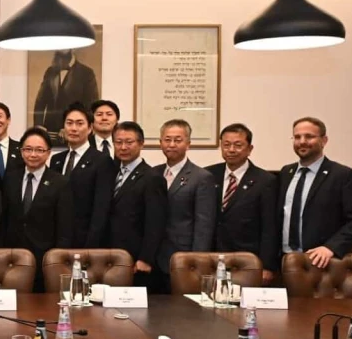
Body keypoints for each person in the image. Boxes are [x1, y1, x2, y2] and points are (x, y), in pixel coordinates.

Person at [278, 117, 352, 269]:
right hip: (284, 260)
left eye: (309, 136)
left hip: (321, 261)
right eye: (297, 137)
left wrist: (331, 247)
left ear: (324, 140)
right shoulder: (286, 172)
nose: (302, 141)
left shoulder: (343, 175)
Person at [206, 123, 279, 283]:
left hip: (247, 260)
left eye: (238, 145)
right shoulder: (208, 175)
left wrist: (266, 266)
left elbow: (270, 227)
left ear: (250, 149)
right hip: (211, 257)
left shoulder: (265, 181)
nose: (231, 150)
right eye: (226, 145)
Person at [3, 127, 73, 292]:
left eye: (39, 150)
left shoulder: (60, 183)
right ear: (21, 151)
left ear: (48, 153)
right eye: (28, 149)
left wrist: (57, 261)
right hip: (13, 258)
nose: (33, 154)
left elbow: (65, 227)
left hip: (45, 260)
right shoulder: (10, 178)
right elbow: (4, 219)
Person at [152, 119, 216, 293]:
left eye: (178, 140)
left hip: (183, 257)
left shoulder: (201, 177)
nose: (171, 144)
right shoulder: (153, 173)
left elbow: (204, 224)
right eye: (167, 140)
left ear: (188, 144)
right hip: (153, 257)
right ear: (160, 143)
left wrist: (196, 261)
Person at [107, 122, 168, 290]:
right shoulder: (111, 173)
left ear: (141, 143)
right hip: (111, 255)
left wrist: (146, 258)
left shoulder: (152, 178)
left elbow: (156, 222)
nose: (123, 147)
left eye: (129, 142)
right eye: (118, 142)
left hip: (136, 259)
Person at [47, 103, 115, 247]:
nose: (73, 128)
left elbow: (100, 209)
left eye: (79, 123)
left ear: (90, 128)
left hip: (85, 240)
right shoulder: (56, 160)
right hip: (57, 238)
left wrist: (90, 246)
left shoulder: (102, 160)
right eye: (69, 123)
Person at [32, 50, 99, 138]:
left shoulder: (87, 73)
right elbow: (40, 101)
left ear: (72, 50)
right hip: (50, 132)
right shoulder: (50, 72)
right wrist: (39, 126)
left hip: (75, 132)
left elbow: (91, 106)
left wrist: (71, 126)